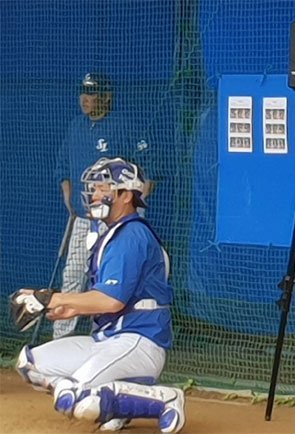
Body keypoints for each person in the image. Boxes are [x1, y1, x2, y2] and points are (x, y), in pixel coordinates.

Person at [13, 157, 184, 433]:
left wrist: (54, 299)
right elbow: (105, 299)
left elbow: (111, 300)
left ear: (126, 195)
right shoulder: (113, 233)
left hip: (138, 342)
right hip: (106, 340)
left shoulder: (132, 235)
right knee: (30, 364)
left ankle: (165, 400)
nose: (94, 195)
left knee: (76, 398)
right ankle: (116, 399)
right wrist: (71, 308)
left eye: (104, 188)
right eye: (94, 188)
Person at [53, 72, 153, 339]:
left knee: (110, 277)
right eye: (83, 92)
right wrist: (70, 202)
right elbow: (63, 169)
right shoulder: (76, 126)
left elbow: (148, 171)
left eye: (92, 93)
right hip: (84, 220)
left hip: (115, 223)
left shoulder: (125, 126)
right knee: (73, 274)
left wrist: (132, 210)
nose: (85, 98)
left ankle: (107, 335)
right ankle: (62, 338)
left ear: (107, 97)